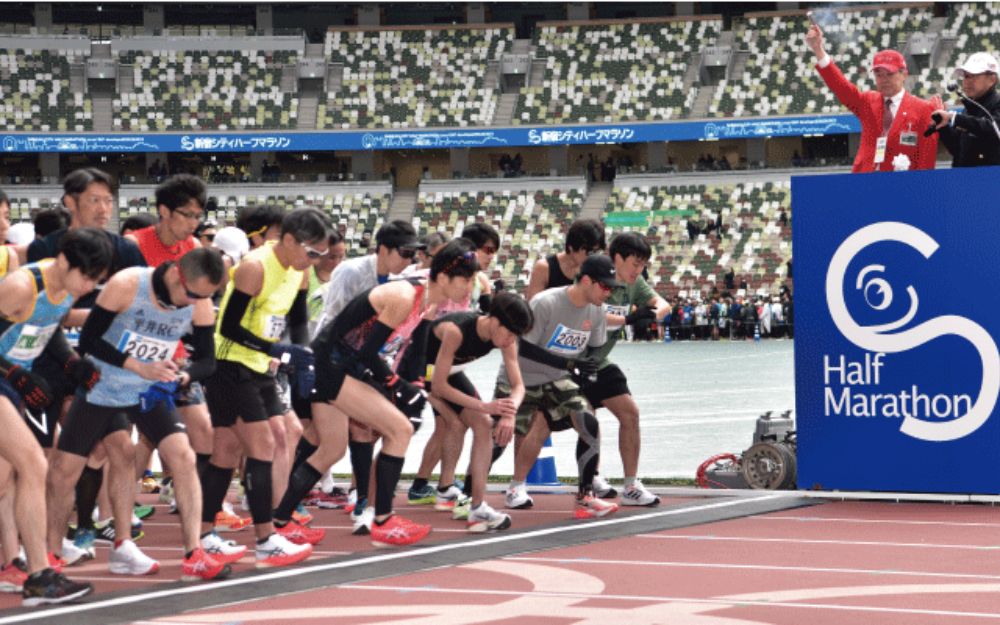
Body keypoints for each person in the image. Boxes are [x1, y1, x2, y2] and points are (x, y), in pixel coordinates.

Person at [272, 239, 480, 547]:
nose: (470, 287)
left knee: (331, 448)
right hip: (332, 365)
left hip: (333, 365)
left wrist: (414, 384)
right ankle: (383, 519)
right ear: (444, 278)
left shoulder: (427, 299)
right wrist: (397, 386)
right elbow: (368, 353)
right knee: (399, 429)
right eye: (466, 280)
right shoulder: (404, 296)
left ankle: (280, 521)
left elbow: (410, 344)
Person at [47, 248, 237, 581]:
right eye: (192, 294)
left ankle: (192, 552)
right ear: (177, 274)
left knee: (182, 455)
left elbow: (207, 360)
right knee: (67, 469)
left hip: (148, 390)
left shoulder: (200, 301)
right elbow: (90, 340)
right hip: (102, 386)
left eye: (204, 297)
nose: (194, 304)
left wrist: (184, 376)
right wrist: (139, 366)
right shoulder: (127, 284)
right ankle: (49, 554)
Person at [201, 208, 329, 568]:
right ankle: (265, 538)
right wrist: (275, 349)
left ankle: (204, 535)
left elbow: (299, 320)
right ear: (288, 240)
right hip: (229, 364)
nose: (315, 261)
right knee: (263, 443)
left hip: (259, 367)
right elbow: (226, 328)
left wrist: (303, 354)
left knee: (226, 450)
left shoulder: (300, 272)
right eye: (312, 252)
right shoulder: (254, 267)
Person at [0, 228, 112, 604]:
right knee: (34, 464)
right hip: (4, 380)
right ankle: (39, 575)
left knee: (5, 479)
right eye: (86, 278)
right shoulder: (21, 285)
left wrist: (72, 362)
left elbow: (46, 331)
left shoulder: (64, 289)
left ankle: (18, 565)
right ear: (65, 261)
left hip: (11, 384)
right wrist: (14, 372)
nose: (87, 288)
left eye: (96, 282)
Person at [309, 220, 423, 528]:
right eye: (405, 252)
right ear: (383, 249)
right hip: (335, 355)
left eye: (414, 254)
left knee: (365, 429)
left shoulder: (404, 279)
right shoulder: (352, 271)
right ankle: (291, 505)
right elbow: (334, 318)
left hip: (365, 356)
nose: (410, 260)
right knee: (322, 437)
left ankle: (361, 497)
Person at [497, 255, 619, 519]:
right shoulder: (546, 302)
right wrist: (566, 363)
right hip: (522, 377)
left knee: (588, 423)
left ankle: (585, 495)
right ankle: (470, 495)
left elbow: (595, 349)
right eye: (605, 287)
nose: (608, 293)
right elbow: (521, 346)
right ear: (586, 280)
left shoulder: (597, 310)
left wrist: (586, 369)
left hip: (557, 379)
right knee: (498, 438)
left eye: (611, 288)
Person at [424, 292, 533, 531]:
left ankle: (476, 507)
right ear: (494, 321)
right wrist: (484, 406)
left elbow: (518, 386)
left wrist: (509, 412)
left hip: (448, 372)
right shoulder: (456, 331)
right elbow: (439, 385)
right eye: (509, 333)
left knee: (482, 424)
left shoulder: (506, 338)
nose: (510, 340)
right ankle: (362, 499)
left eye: (515, 335)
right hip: (415, 371)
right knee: (385, 431)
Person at [579, 233, 669, 506]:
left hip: (601, 361)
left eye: (643, 266)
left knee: (630, 413)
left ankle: (630, 485)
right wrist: (629, 318)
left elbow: (663, 304)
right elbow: (593, 317)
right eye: (634, 264)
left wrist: (652, 315)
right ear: (616, 258)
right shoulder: (594, 275)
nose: (638, 271)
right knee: (584, 421)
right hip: (573, 361)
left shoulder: (635, 282)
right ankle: (588, 478)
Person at [806, 23, 940, 173]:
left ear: (904, 74)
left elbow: (926, 161)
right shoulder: (868, 101)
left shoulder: (923, 109)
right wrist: (818, 50)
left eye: (890, 74)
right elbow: (842, 88)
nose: (884, 79)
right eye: (879, 74)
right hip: (865, 185)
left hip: (903, 189)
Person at [931, 52, 1000, 167]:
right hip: (964, 179)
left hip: (990, 180)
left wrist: (954, 118)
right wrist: (943, 127)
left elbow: (993, 129)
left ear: (992, 80)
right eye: (965, 76)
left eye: (973, 76)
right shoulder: (969, 109)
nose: (966, 81)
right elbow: (957, 150)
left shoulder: (996, 103)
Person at [525, 218, 605, 301]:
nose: (593, 257)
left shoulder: (592, 270)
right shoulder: (544, 268)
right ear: (572, 247)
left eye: (597, 252)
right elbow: (532, 306)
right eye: (590, 252)